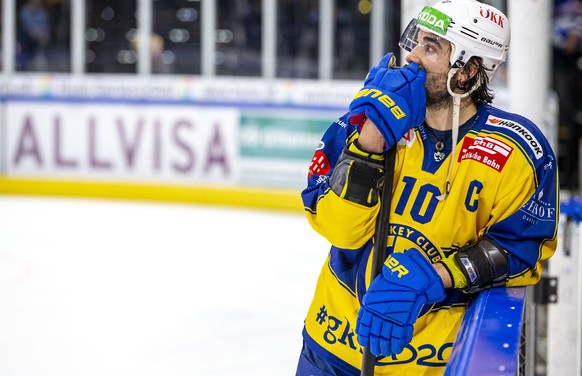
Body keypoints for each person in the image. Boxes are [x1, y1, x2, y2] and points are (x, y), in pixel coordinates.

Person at [296, 0, 559, 375]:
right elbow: (341, 231)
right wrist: (371, 142)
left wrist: (441, 274)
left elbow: (519, 248)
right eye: (416, 41)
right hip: (330, 348)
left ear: (467, 71)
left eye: (431, 47)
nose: (413, 57)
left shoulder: (518, 150)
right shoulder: (366, 122)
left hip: (426, 364)